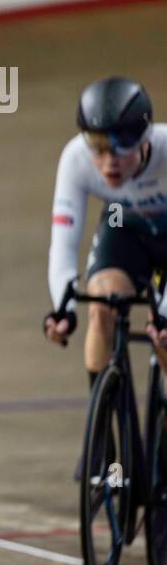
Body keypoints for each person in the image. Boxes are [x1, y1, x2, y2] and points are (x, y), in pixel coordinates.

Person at [44, 79, 164, 379]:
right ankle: (101, 422)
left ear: (145, 139)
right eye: (98, 148)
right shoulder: (75, 159)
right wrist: (64, 308)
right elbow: (63, 245)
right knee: (100, 307)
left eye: (121, 149)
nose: (109, 162)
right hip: (120, 222)